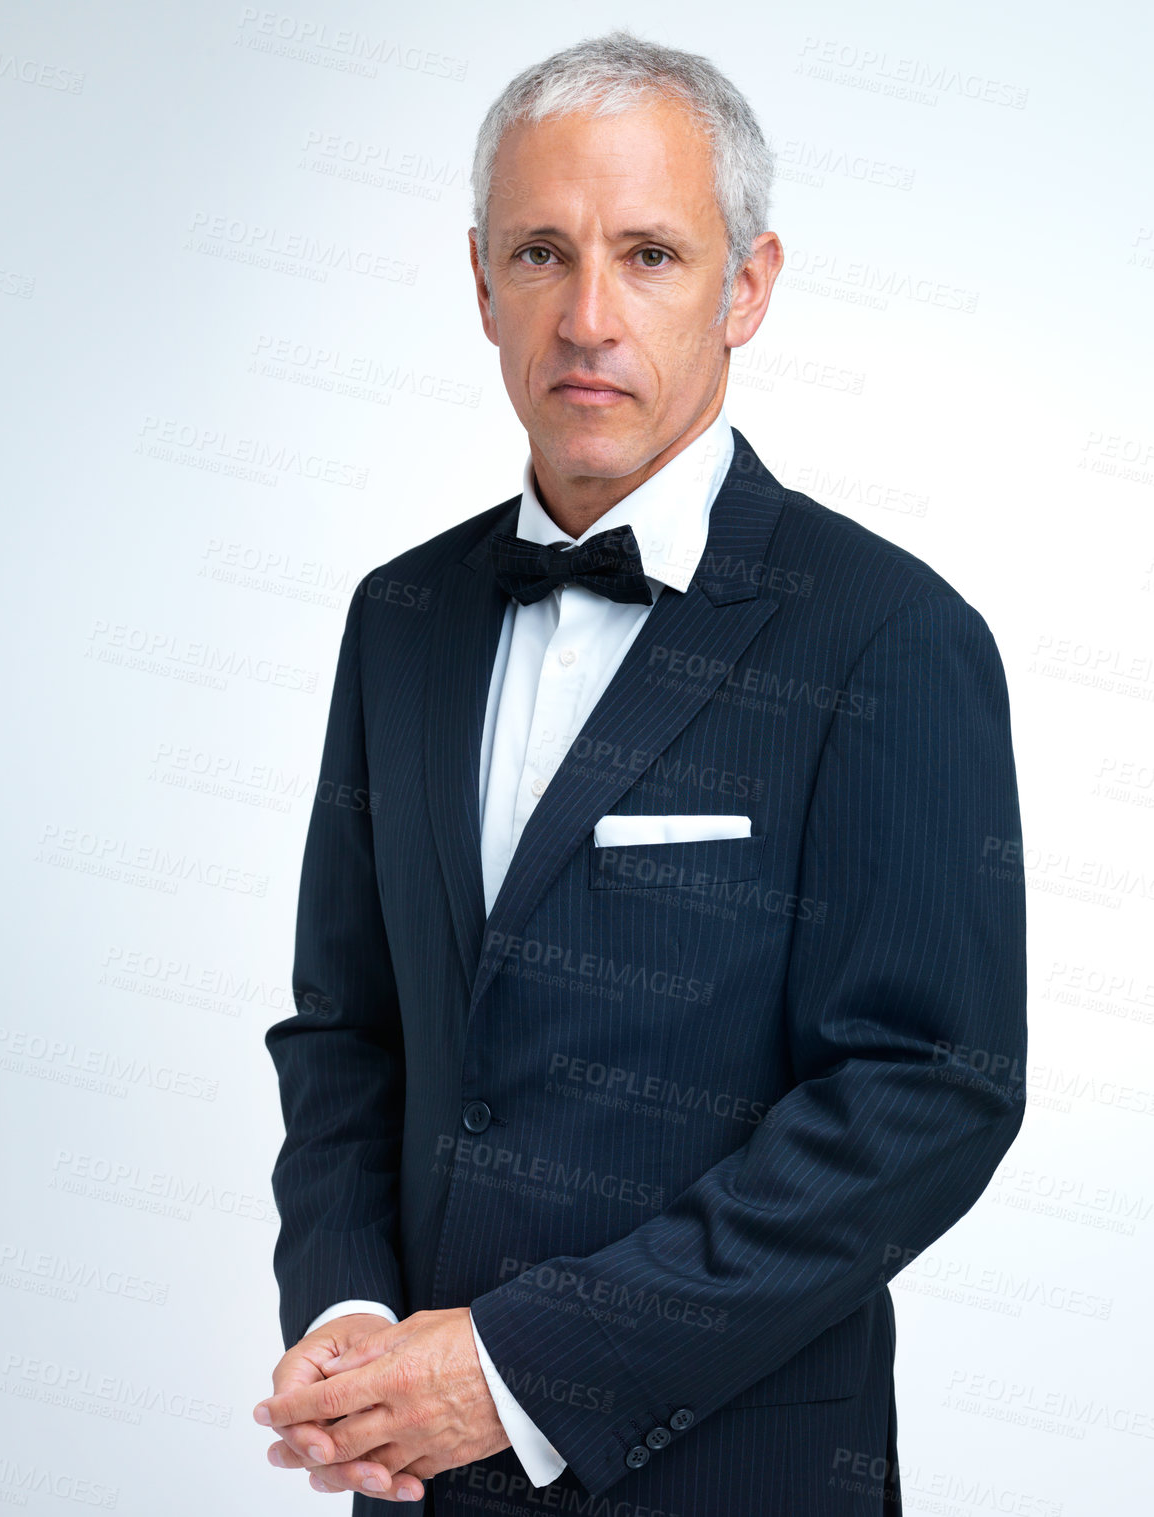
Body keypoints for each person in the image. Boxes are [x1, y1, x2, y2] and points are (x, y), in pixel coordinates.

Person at [253, 27, 1027, 1516]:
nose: (587, 315)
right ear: (479, 282)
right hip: (413, 1482)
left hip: (732, 1473)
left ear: (746, 285)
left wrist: (523, 1363)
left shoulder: (888, 637)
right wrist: (347, 1319)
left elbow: (923, 1093)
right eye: (541, 253)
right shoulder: (396, 618)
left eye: (651, 255)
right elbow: (350, 1030)